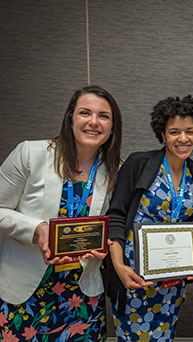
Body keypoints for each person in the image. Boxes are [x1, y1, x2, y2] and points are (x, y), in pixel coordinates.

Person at [0, 85, 122, 341]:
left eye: (103, 116)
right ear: (70, 118)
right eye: (85, 113)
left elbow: (114, 225)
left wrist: (105, 248)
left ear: (113, 126)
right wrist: (36, 229)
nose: (93, 122)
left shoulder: (115, 170)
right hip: (27, 290)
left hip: (82, 295)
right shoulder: (31, 154)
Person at [104, 95, 193, 342]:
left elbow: (192, 224)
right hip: (134, 274)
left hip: (173, 278)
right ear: (162, 134)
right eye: (174, 132)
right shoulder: (140, 163)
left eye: (190, 132)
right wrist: (119, 267)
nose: (183, 139)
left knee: (165, 335)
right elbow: (117, 215)